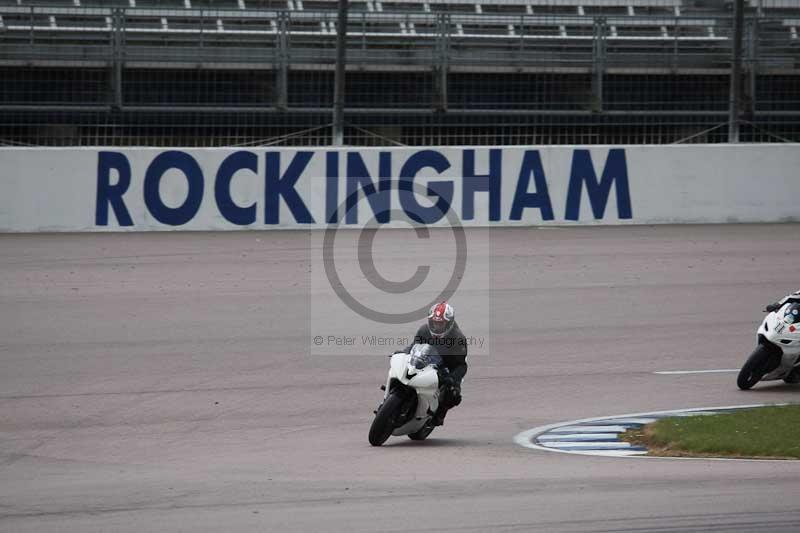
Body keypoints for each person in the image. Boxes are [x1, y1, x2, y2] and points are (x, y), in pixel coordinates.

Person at [404, 301, 468, 426]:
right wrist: (403, 352)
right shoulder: (424, 330)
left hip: (447, 367)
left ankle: (440, 414)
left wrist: (452, 379)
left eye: (440, 324)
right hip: (425, 361)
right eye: (434, 323)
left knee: (453, 394)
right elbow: (413, 346)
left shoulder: (458, 339)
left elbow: (461, 366)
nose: (436, 327)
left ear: (449, 323)